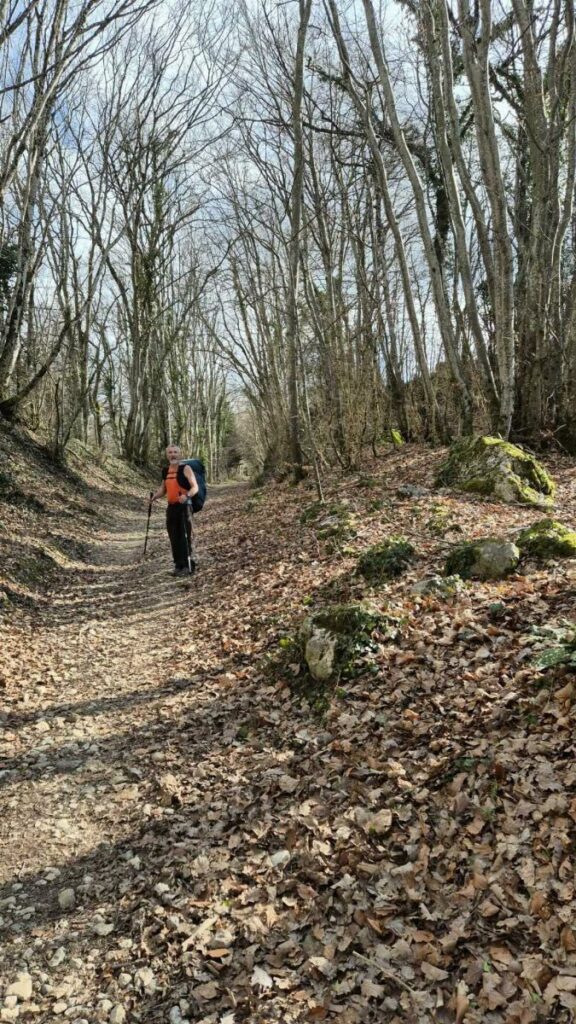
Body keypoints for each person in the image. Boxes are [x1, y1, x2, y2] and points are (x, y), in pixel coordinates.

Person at [149, 444, 199, 576]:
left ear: (180, 454)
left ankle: (188, 566)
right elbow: (163, 489)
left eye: (175, 452)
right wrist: (155, 496)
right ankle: (178, 565)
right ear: (167, 455)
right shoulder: (166, 470)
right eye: (170, 452)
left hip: (184, 506)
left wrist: (186, 495)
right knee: (173, 537)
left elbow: (195, 488)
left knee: (184, 536)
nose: (173, 455)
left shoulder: (186, 468)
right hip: (171, 507)